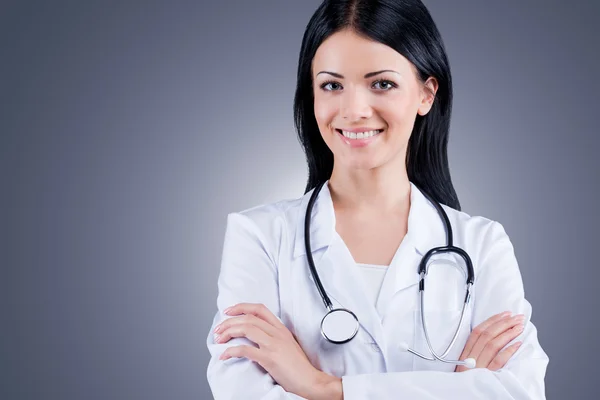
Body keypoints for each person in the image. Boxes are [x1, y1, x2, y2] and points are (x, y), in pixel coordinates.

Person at [206, 0, 549, 398]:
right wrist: (455, 389)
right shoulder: (259, 237)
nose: (353, 110)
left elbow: (519, 392)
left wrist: (324, 387)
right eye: (332, 85)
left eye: (381, 84)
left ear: (425, 94)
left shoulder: (483, 245)